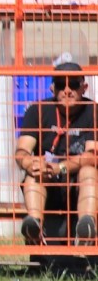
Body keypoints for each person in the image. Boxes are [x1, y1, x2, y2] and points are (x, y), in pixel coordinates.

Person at [15, 59, 97, 247]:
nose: (67, 90)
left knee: (90, 171)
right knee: (33, 174)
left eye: (73, 84)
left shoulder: (94, 111)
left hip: (78, 184)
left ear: (84, 87)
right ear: (53, 88)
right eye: (61, 85)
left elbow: (92, 155)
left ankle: (86, 232)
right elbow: (22, 150)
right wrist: (31, 163)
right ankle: (34, 227)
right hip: (47, 184)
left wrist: (60, 168)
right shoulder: (37, 110)